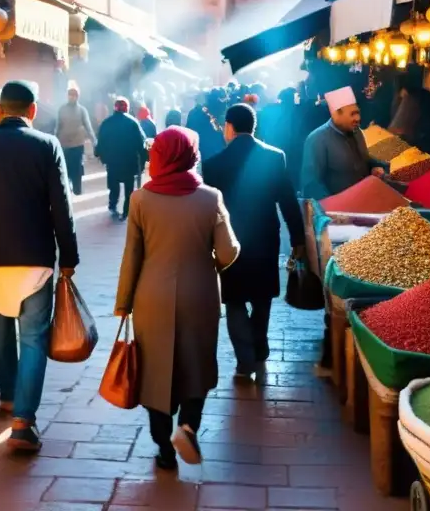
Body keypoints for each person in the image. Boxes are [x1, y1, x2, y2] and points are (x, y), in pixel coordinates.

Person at [0, 80, 79, 453]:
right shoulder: (46, 145)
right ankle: (22, 423)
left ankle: (7, 397)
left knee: (1, 331)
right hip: (35, 257)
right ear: (33, 110)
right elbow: (62, 208)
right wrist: (68, 258)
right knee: (34, 337)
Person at [114, 127, 240, 470]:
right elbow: (229, 250)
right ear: (190, 154)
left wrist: (123, 302)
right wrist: (209, 263)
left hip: (150, 296)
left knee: (156, 370)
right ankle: (188, 427)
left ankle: (163, 448)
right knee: (195, 364)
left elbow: (132, 257)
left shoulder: (140, 199)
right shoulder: (210, 197)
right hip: (199, 294)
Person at [203, 104, 305, 380]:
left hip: (229, 243)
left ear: (229, 126)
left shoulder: (212, 165)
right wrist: (298, 238)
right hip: (265, 240)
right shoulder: (274, 158)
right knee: (262, 298)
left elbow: (207, 210)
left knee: (234, 300)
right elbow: (288, 202)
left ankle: (245, 359)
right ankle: (259, 348)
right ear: (254, 126)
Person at [300, 86, 385, 199]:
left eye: (358, 113)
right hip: (337, 210)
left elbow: (364, 160)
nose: (358, 118)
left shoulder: (356, 132)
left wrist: (376, 167)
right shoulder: (317, 139)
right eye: (352, 114)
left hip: (364, 200)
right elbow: (311, 185)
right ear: (336, 114)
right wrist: (334, 208)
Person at [95, 97, 148, 221]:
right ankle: (126, 211)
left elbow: (100, 141)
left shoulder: (107, 122)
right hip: (129, 161)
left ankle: (112, 206)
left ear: (115, 108)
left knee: (114, 184)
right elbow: (141, 142)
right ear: (127, 108)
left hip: (112, 161)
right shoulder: (133, 122)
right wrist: (144, 158)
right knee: (129, 187)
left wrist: (100, 155)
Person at [56, 84, 96, 195]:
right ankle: (67, 189)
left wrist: (94, 139)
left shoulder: (82, 110)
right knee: (65, 167)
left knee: (77, 167)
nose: (72, 97)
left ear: (78, 96)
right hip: (64, 144)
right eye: (70, 95)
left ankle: (77, 190)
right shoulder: (62, 109)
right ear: (67, 96)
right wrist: (55, 139)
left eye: (74, 95)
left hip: (77, 144)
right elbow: (58, 126)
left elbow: (88, 126)